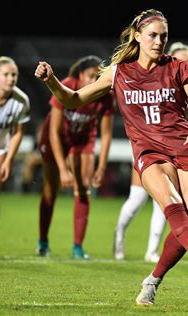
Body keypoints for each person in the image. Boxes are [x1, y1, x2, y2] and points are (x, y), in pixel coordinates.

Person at [35, 9, 188, 305]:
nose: (159, 41)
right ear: (137, 36)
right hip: (150, 152)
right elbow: (72, 99)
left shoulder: (179, 67)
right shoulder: (119, 72)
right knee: (173, 207)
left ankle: (152, 281)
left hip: (185, 147)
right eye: (152, 35)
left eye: (163, 36)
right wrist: (51, 81)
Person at [113, 42, 188, 262]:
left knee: (169, 202)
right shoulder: (156, 78)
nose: (184, 63)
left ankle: (152, 249)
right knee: (137, 198)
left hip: (175, 150)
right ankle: (119, 234)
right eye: (181, 58)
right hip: (147, 147)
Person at [36, 55, 115, 259]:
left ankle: (78, 247)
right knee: (50, 191)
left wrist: (102, 167)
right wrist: (63, 169)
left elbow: (106, 134)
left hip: (82, 139)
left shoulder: (104, 94)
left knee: (83, 189)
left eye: (98, 77)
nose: (95, 81)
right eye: (91, 76)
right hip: (56, 138)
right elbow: (54, 131)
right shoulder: (67, 86)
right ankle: (43, 241)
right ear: (80, 76)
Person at [0, 56, 30, 257]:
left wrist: (9, 159)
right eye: (6, 74)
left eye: (14, 75)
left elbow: (18, 132)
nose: (11, 79)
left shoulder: (21, 101)